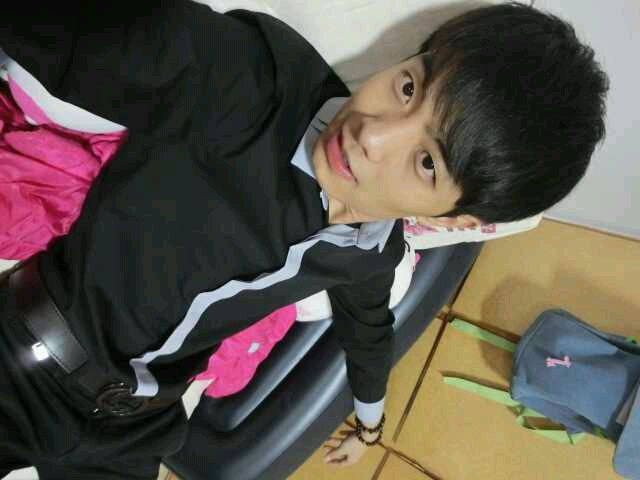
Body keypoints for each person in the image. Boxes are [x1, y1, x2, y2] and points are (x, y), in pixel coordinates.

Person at [0, 1, 608, 477]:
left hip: (136, 425)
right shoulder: (251, 79)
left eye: (426, 162)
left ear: (457, 221)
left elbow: (368, 330)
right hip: (27, 360)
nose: (372, 134)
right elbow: (92, 35)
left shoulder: (373, 252)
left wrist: (370, 421)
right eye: (408, 87)